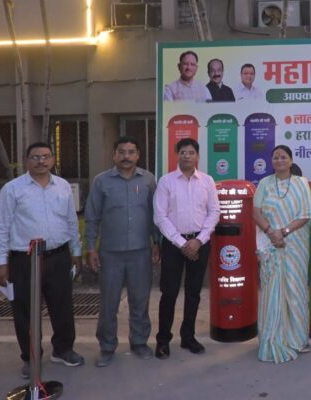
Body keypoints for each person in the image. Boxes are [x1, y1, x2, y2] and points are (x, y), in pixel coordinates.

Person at [0, 142, 84, 378]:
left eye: (45, 156)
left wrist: (76, 251)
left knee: (62, 306)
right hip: (25, 260)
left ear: (52, 159)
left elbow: (71, 221)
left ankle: (63, 350)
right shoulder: (13, 189)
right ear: (26, 160)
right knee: (25, 311)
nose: (41, 161)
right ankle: (30, 357)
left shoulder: (62, 186)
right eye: (35, 157)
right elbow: (1, 226)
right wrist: (0, 262)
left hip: (58, 256)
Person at [84, 136, 160, 367]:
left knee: (140, 300)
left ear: (138, 155)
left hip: (141, 252)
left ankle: (139, 342)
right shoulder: (101, 181)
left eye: (131, 152)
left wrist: (157, 243)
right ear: (114, 155)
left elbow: (155, 215)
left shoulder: (148, 180)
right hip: (110, 253)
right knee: (109, 303)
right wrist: (90, 248)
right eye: (122, 152)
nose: (126, 156)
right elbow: (92, 217)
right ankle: (107, 346)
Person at [153, 138, 220, 359]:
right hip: (174, 245)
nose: (187, 156)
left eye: (191, 152)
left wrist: (199, 240)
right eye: (183, 152)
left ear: (197, 156)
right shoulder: (166, 182)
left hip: (200, 243)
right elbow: (160, 216)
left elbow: (214, 212)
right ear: (177, 155)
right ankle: (163, 340)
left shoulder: (207, 181)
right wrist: (182, 243)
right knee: (169, 293)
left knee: (193, 293)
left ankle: (188, 337)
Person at [252, 145, 311, 363]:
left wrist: (283, 232)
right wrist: (271, 232)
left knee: (296, 290)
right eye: (276, 157)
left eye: (283, 157)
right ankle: (272, 337)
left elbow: (306, 214)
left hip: (295, 245)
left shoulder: (301, 183)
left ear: (291, 160)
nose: (279, 160)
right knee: (272, 292)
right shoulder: (264, 184)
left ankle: (298, 339)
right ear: (272, 161)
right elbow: (256, 212)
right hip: (270, 244)